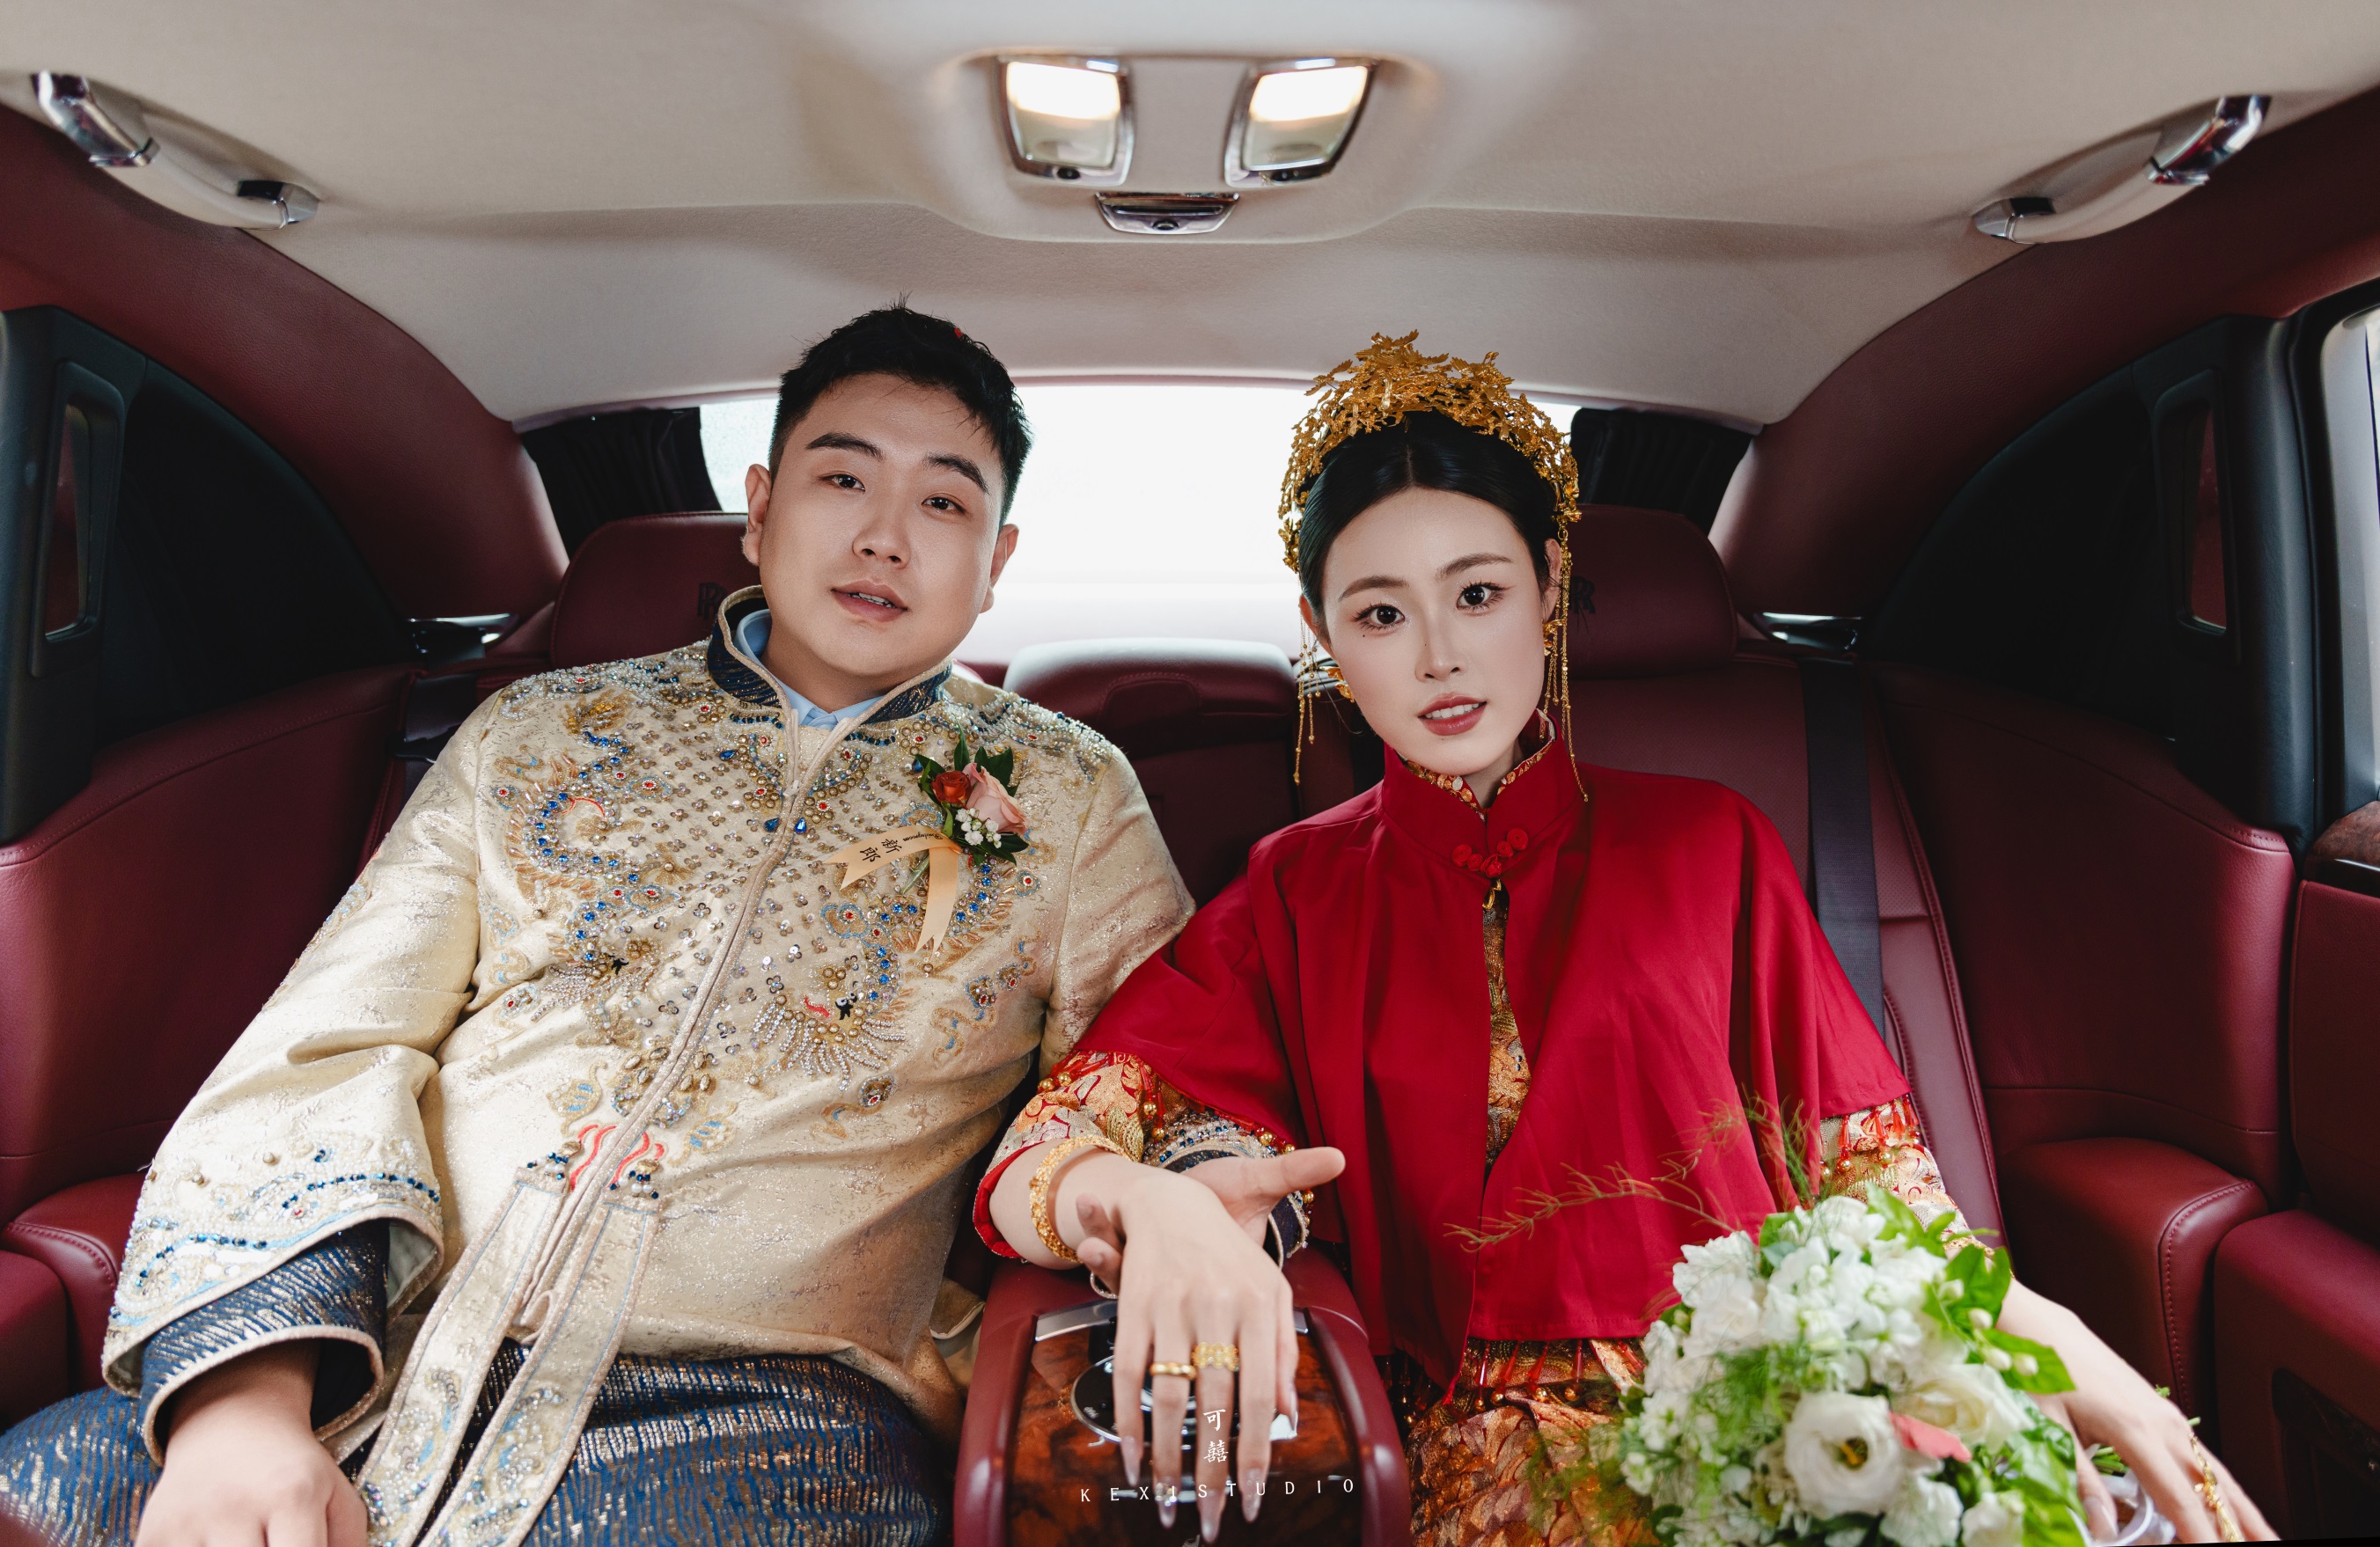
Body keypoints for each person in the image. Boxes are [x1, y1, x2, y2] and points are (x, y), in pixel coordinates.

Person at [978, 334, 2278, 1547]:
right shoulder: (1294, 894)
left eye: (1477, 593)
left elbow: (1880, 1194)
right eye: (1380, 615)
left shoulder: (1713, 846)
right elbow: (1045, 1156)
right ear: (1323, 638)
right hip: (1479, 1453)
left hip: (1781, 1408)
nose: (1439, 656)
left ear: (1546, 591)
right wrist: (1148, 1201)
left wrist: (2063, 1350)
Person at [0, 306, 1194, 1547]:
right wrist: (244, 1409)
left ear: (997, 562)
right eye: (843, 479)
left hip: (780, 1424)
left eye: (944, 504)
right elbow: (326, 1051)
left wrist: (1173, 1198)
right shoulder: (538, 733)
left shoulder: (1067, 795)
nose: (884, 536)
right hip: (379, 1358)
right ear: (760, 510)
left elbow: (1166, 1074)